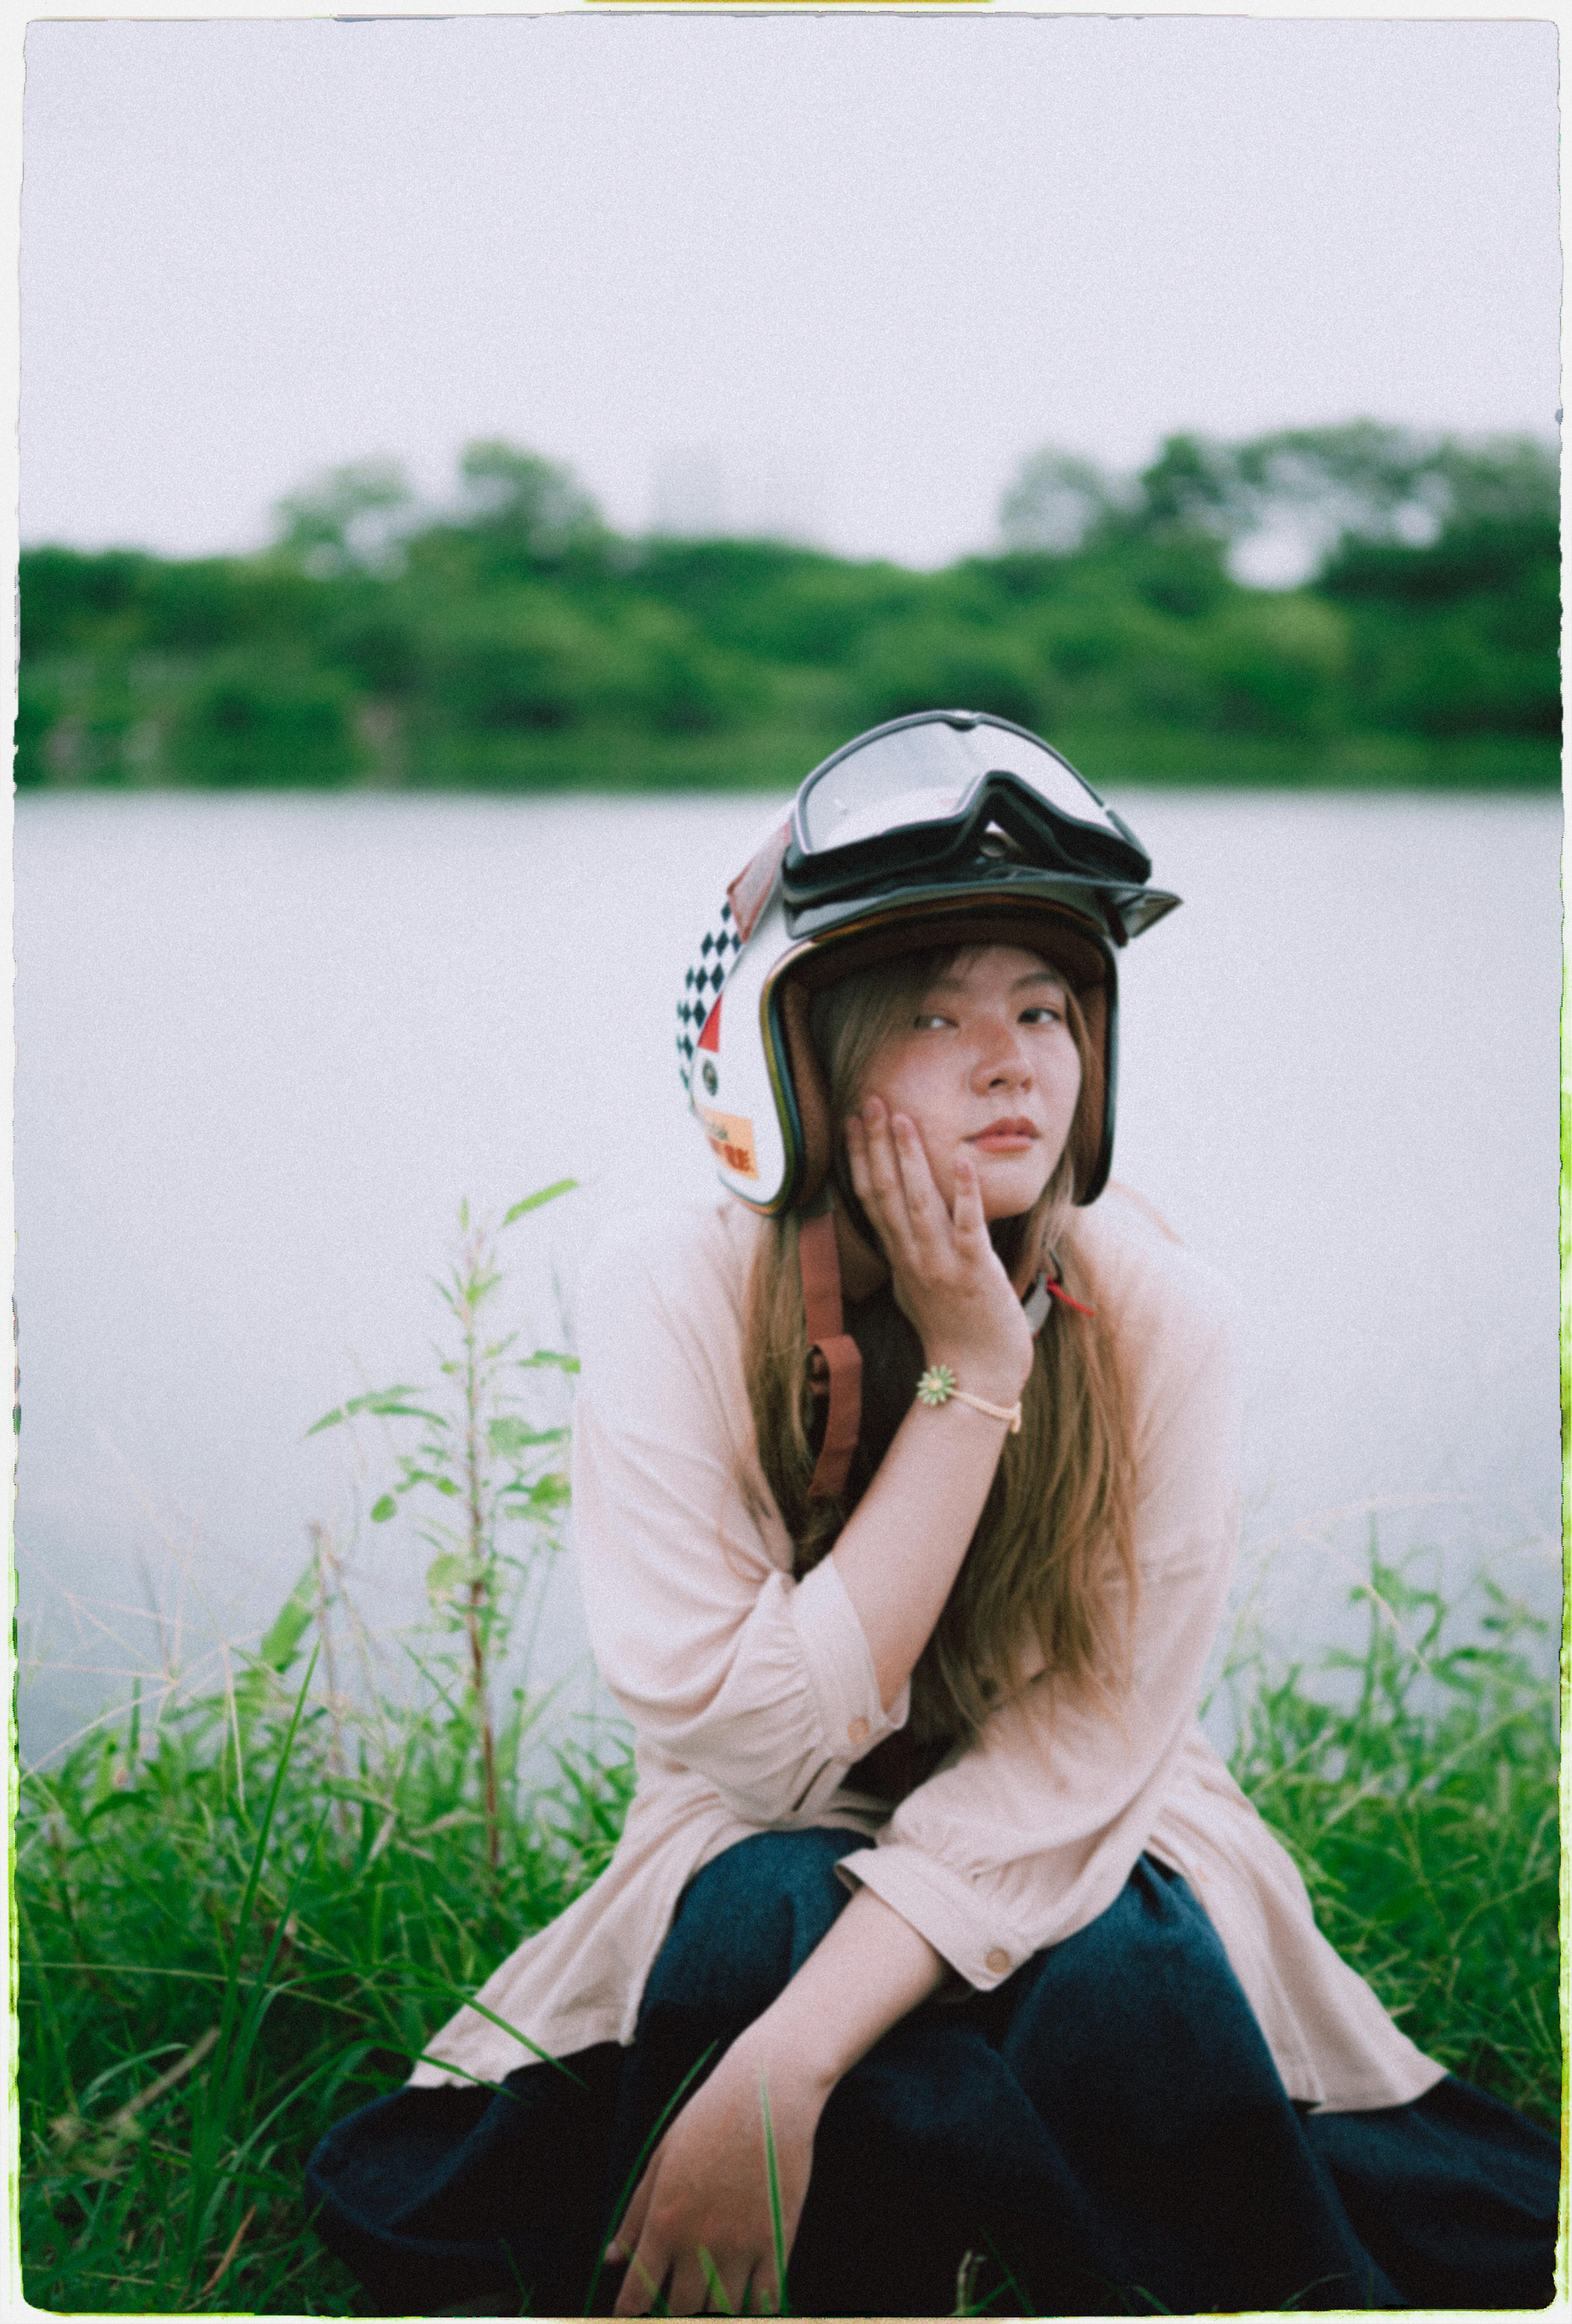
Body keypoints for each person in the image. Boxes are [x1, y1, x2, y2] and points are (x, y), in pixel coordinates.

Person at [307, 711, 1558, 2317]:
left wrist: (791, 2064)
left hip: (1091, 1838)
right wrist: (970, 1379)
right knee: (759, 1910)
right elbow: (763, 1752)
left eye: (1045, 1007)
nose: (1012, 1058)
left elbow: (1077, 1770)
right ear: (800, 1056)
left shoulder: (1166, 1313)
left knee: (1119, 1960)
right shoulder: (677, 1292)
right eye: (936, 1014)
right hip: (765, 1829)